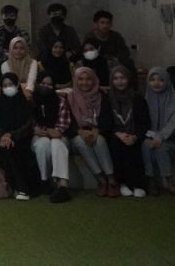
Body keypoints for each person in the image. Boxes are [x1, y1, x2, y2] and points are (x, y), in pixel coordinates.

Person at [67, 66, 120, 197]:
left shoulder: (101, 96)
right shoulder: (70, 97)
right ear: (75, 80)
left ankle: (111, 178)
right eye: (80, 79)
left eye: (88, 79)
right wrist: (79, 131)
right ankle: (100, 179)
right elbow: (68, 122)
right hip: (78, 133)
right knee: (80, 142)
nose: (84, 82)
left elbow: (108, 119)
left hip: (98, 131)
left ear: (94, 80)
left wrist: (97, 130)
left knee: (100, 141)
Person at [102, 66, 150, 198]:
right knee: (117, 144)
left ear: (129, 79)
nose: (119, 81)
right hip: (115, 134)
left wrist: (135, 136)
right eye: (116, 78)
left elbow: (144, 123)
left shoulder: (138, 99)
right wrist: (118, 134)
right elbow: (105, 122)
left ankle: (138, 184)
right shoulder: (107, 99)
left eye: (123, 78)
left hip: (134, 134)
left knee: (133, 146)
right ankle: (122, 183)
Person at [0, 72, 37, 201]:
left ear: (17, 85)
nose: (8, 88)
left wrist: (12, 135)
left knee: (14, 150)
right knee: (0, 151)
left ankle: (22, 188)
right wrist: (3, 136)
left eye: (10, 84)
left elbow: (28, 125)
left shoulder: (26, 103)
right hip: (4, 139)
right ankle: (19, 187)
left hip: (23, 138)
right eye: (4, 85)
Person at [31, 73, 72, 203]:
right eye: (43, 83)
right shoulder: (30, 101)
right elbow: (30, 123)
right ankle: (45, 181)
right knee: (43, 144)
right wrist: (36, 130)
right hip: (37, 136)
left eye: (49, 84)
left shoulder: (60, 101)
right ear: (37, 83)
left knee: (56, 143)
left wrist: (50, 131)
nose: (46, 87)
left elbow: (62, 126)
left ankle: (63, 185)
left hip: (59, 135)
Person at [143, 67, 175, 195]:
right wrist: (152, 137)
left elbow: (173, 123)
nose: (156, 83)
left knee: (161, 147)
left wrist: (160, 137)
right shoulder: (145, 99)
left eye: (161, 80)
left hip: (174, 140)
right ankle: (151, 180)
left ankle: (169, 180)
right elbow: (143, 122)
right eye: (152, 80)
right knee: (146, 145)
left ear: (167, 81)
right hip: (150, 138)